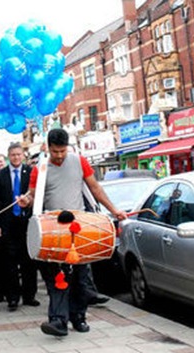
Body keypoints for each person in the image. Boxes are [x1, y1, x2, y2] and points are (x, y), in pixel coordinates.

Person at [18, 128, 127, 337]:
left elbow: (95, 188)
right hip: (53, 232)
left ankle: (79, 318)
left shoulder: (79, 161)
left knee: (80, 277)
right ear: (47, 148)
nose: (59, 155)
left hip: (79, 229)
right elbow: (33, 195)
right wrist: (26, 201)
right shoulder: (39, 168)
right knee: (56, 278)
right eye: (55, 151)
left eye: (62, 151)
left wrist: (114, 210)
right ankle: (58, 321)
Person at [0, 143, 39, 312]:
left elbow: (36, 196)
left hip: (26, 222)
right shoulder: (0, 175)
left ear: (23, 155)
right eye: (13, 155)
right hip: (8, 223)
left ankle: (30, 295)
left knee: (28, 261)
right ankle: (12, 297)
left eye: (19, 154)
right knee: (10, 263)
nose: (16, 158)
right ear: (8, 156)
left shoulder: (31, 172)